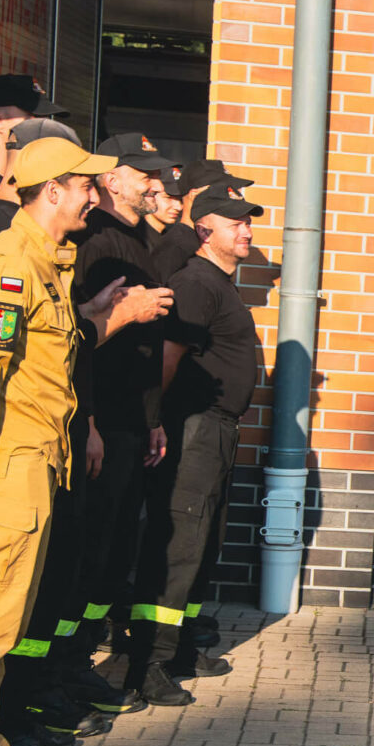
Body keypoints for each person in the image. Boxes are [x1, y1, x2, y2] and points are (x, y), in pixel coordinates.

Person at [0, 138, 116, 746]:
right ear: (52, 190)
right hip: (6, 472)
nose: (93, 197)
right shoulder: (9, 267)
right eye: (84, 186)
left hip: (35, 466)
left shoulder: (47, 267)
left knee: (5, 625)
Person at [125, 184, 260, 704]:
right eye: (235, 224)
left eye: (248, 223)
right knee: (179, 545)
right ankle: (147, 665)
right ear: (205, 231)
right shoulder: (197, 284)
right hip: (195, 428)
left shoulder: (219, 283)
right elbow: (167, 357)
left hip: (218, 430)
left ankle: (179, 649)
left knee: (202, 543)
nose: (246, 232)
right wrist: (155, 419)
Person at [69, 133, 179, 662]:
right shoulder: (94, 241)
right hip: (102, 418)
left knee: (116, 546)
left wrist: (153, 417)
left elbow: (146, 345)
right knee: (91, 545)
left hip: (132, 416)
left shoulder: (140, 242)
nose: (154, 184)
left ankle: (90, 651)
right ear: (112, 179)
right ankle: (67, 665)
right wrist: (86, 419)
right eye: (144, 175)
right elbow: (76, 342)